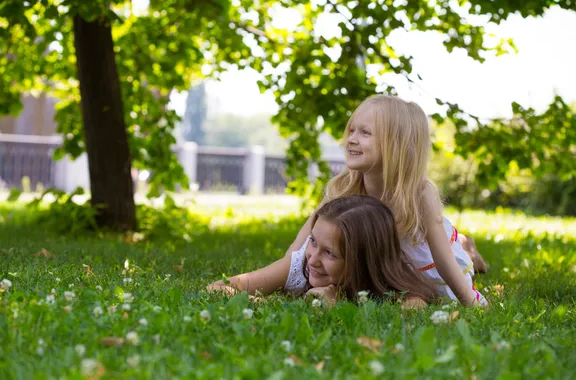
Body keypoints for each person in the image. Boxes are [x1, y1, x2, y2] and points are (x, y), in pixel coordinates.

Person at [285, 95, 487, 306]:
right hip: (385, 266)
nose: (351, 139)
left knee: (453, 275)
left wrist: (473, 304)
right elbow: (298, 248)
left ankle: (468, 250)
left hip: (424, 265)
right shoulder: (342, 188)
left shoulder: (420, 194)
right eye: (352, 130)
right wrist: (284, 280)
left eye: (365, 133)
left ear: (396, 144)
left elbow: (444, 261)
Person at [207, 195, 436, 308]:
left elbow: (414, 311)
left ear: (364, 261)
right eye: (313, 241)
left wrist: (339, 306)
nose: (313, 259)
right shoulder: (299, 266)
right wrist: (273, 305)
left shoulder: (394, 289)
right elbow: (217, 287)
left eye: (330, 254)